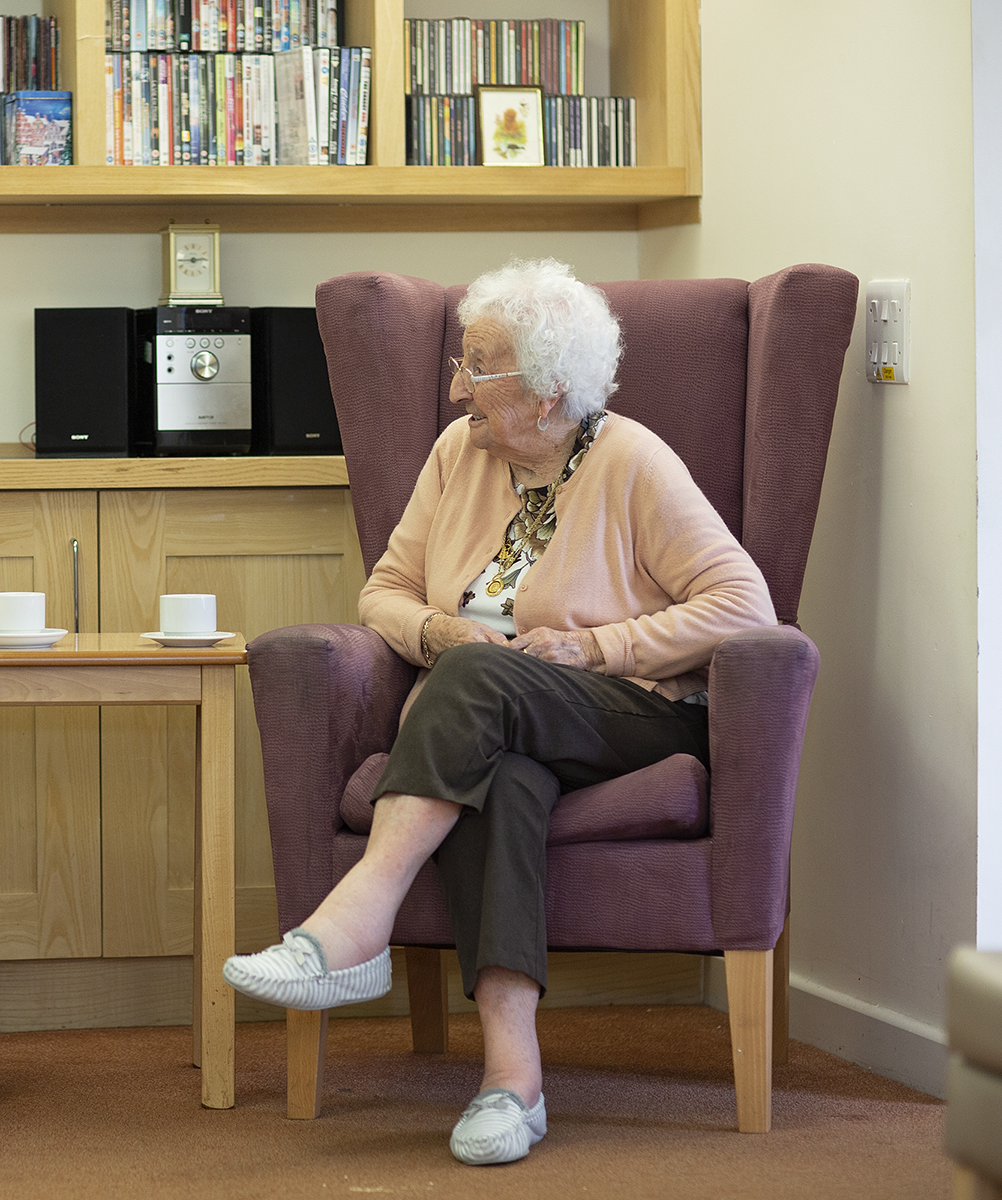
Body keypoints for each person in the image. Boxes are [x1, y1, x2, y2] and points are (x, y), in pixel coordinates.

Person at [223, 258, 775, 1166]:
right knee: (500, 773)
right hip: (491, 719)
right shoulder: (457, 458)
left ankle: (357, 917)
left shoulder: (631, 460)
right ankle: (512, 1082)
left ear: (551, 390)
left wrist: (597, 646)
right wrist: (441, 633)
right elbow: (385, 594)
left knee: (476, 685)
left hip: (628, 715)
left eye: (477, 369)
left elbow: (744, 607)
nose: (454, 390)